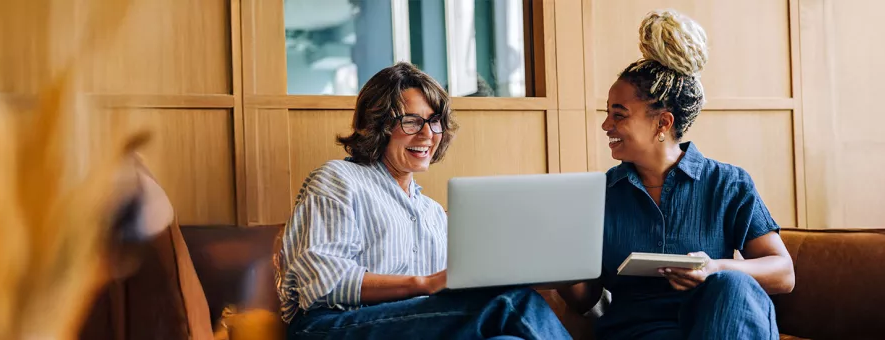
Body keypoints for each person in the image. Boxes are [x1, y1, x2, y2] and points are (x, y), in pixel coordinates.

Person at [274, 62, 571, 340]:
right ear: (378, 125)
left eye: (434, 121)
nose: (428, 134)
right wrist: (424, 283)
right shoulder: (338, 178)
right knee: (514, 304)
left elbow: (440, 305)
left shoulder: (431, 212)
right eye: (413, 121)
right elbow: (323, 283)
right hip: (329, 327)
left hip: (408, 326)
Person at [557, 9, 796, 340]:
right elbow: (591, 302)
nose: (606, 125)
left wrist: (714, 268)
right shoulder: (600, 195)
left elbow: (783, 272)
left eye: (619, 114)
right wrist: (561, 269)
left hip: (719, 324)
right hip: (638, 333)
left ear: (663, 123)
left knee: (732, 284)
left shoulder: (727, 183)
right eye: (607, 113)